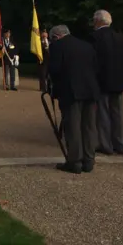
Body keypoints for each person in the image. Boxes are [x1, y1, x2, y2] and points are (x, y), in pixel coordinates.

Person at [49, 25, 100, 174]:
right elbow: (96, 68)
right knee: (89, 127)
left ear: (56, 36)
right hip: (90, 91)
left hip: (70, 92)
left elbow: (55, 70)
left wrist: (54, 90)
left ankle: (75, 161)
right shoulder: (87, 46)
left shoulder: (57, 47)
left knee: (73, 127)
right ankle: (89, 161)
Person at [92, 10, 123, 155]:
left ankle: (106, 144)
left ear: (97, 21)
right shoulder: (121, 38)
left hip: (101, 81)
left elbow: (93, 61)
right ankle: (119, 143)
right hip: (119, 81)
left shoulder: (94, 38)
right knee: (118, 113)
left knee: (103, 114)